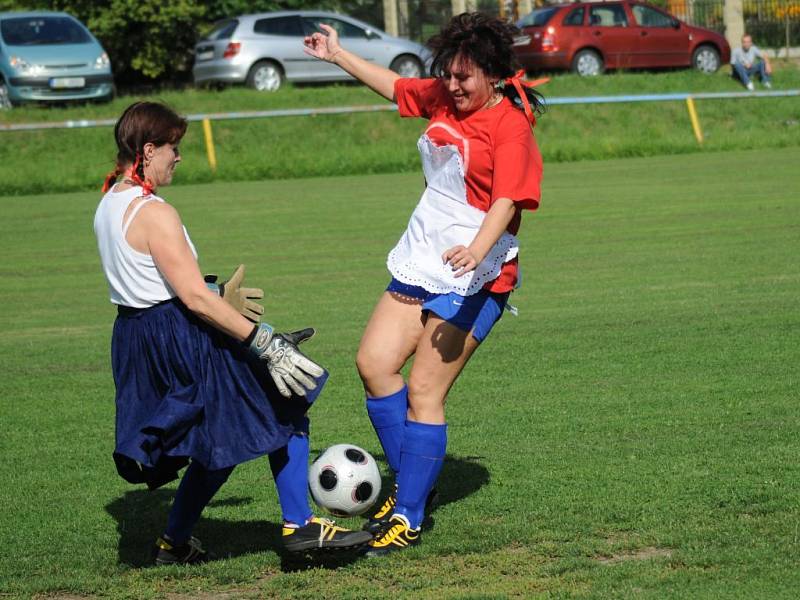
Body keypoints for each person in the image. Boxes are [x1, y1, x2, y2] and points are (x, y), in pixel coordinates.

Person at [303, 13, 544, 556]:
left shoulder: (510, 126)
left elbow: (507, 201)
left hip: (479, 273)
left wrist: (476, 251)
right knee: (374, 364)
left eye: (465, 78)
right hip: (424, 257)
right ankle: (419, 484)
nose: (453, 87)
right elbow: (395, 86)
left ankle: (408, 514)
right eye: (449, 76)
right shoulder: (443, 96)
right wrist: (338, 54)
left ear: (493, 75)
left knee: (426, 392)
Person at [94, 101, 372, 565]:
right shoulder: (154, 212)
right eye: (172, 148)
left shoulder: (109, 201)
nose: (178, 157)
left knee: (215, 440)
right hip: (179, 336)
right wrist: (263, 341)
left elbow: (150, 280)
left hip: (138, 338)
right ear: (147, 150)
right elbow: (192, 300)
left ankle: (174, 544)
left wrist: (218, 291)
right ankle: (301, 529)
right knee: (282, 408)